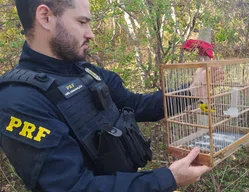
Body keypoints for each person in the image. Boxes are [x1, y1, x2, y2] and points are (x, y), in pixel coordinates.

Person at [0, 0, 212, 191]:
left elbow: (135, 105)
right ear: (45, 17)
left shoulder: (87, 72)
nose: (90, 33)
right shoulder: (19, 100)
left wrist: (191, 92)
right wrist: (167, 178)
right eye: (82, 22)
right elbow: (73, 187)